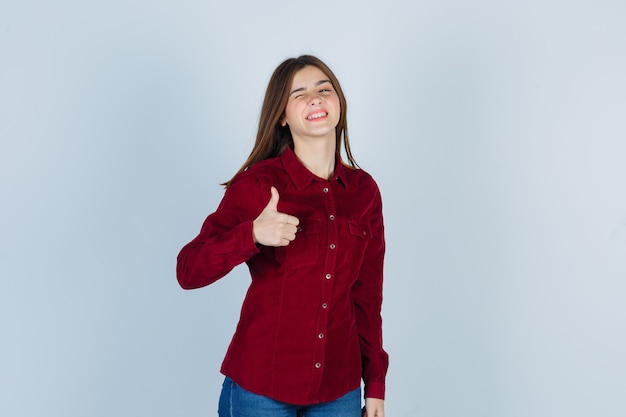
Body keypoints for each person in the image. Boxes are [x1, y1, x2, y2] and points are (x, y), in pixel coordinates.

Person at [176, 55, 388, 417]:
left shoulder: (363, 190)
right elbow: (189, 270)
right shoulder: (258, 185)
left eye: (325, 89)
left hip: (339, 392)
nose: (316, 99)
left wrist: (376, 386)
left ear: (339, 103)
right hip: (262, 390)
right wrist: (252, 234)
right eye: (299, 94)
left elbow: (366, 297)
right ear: (282, 116)